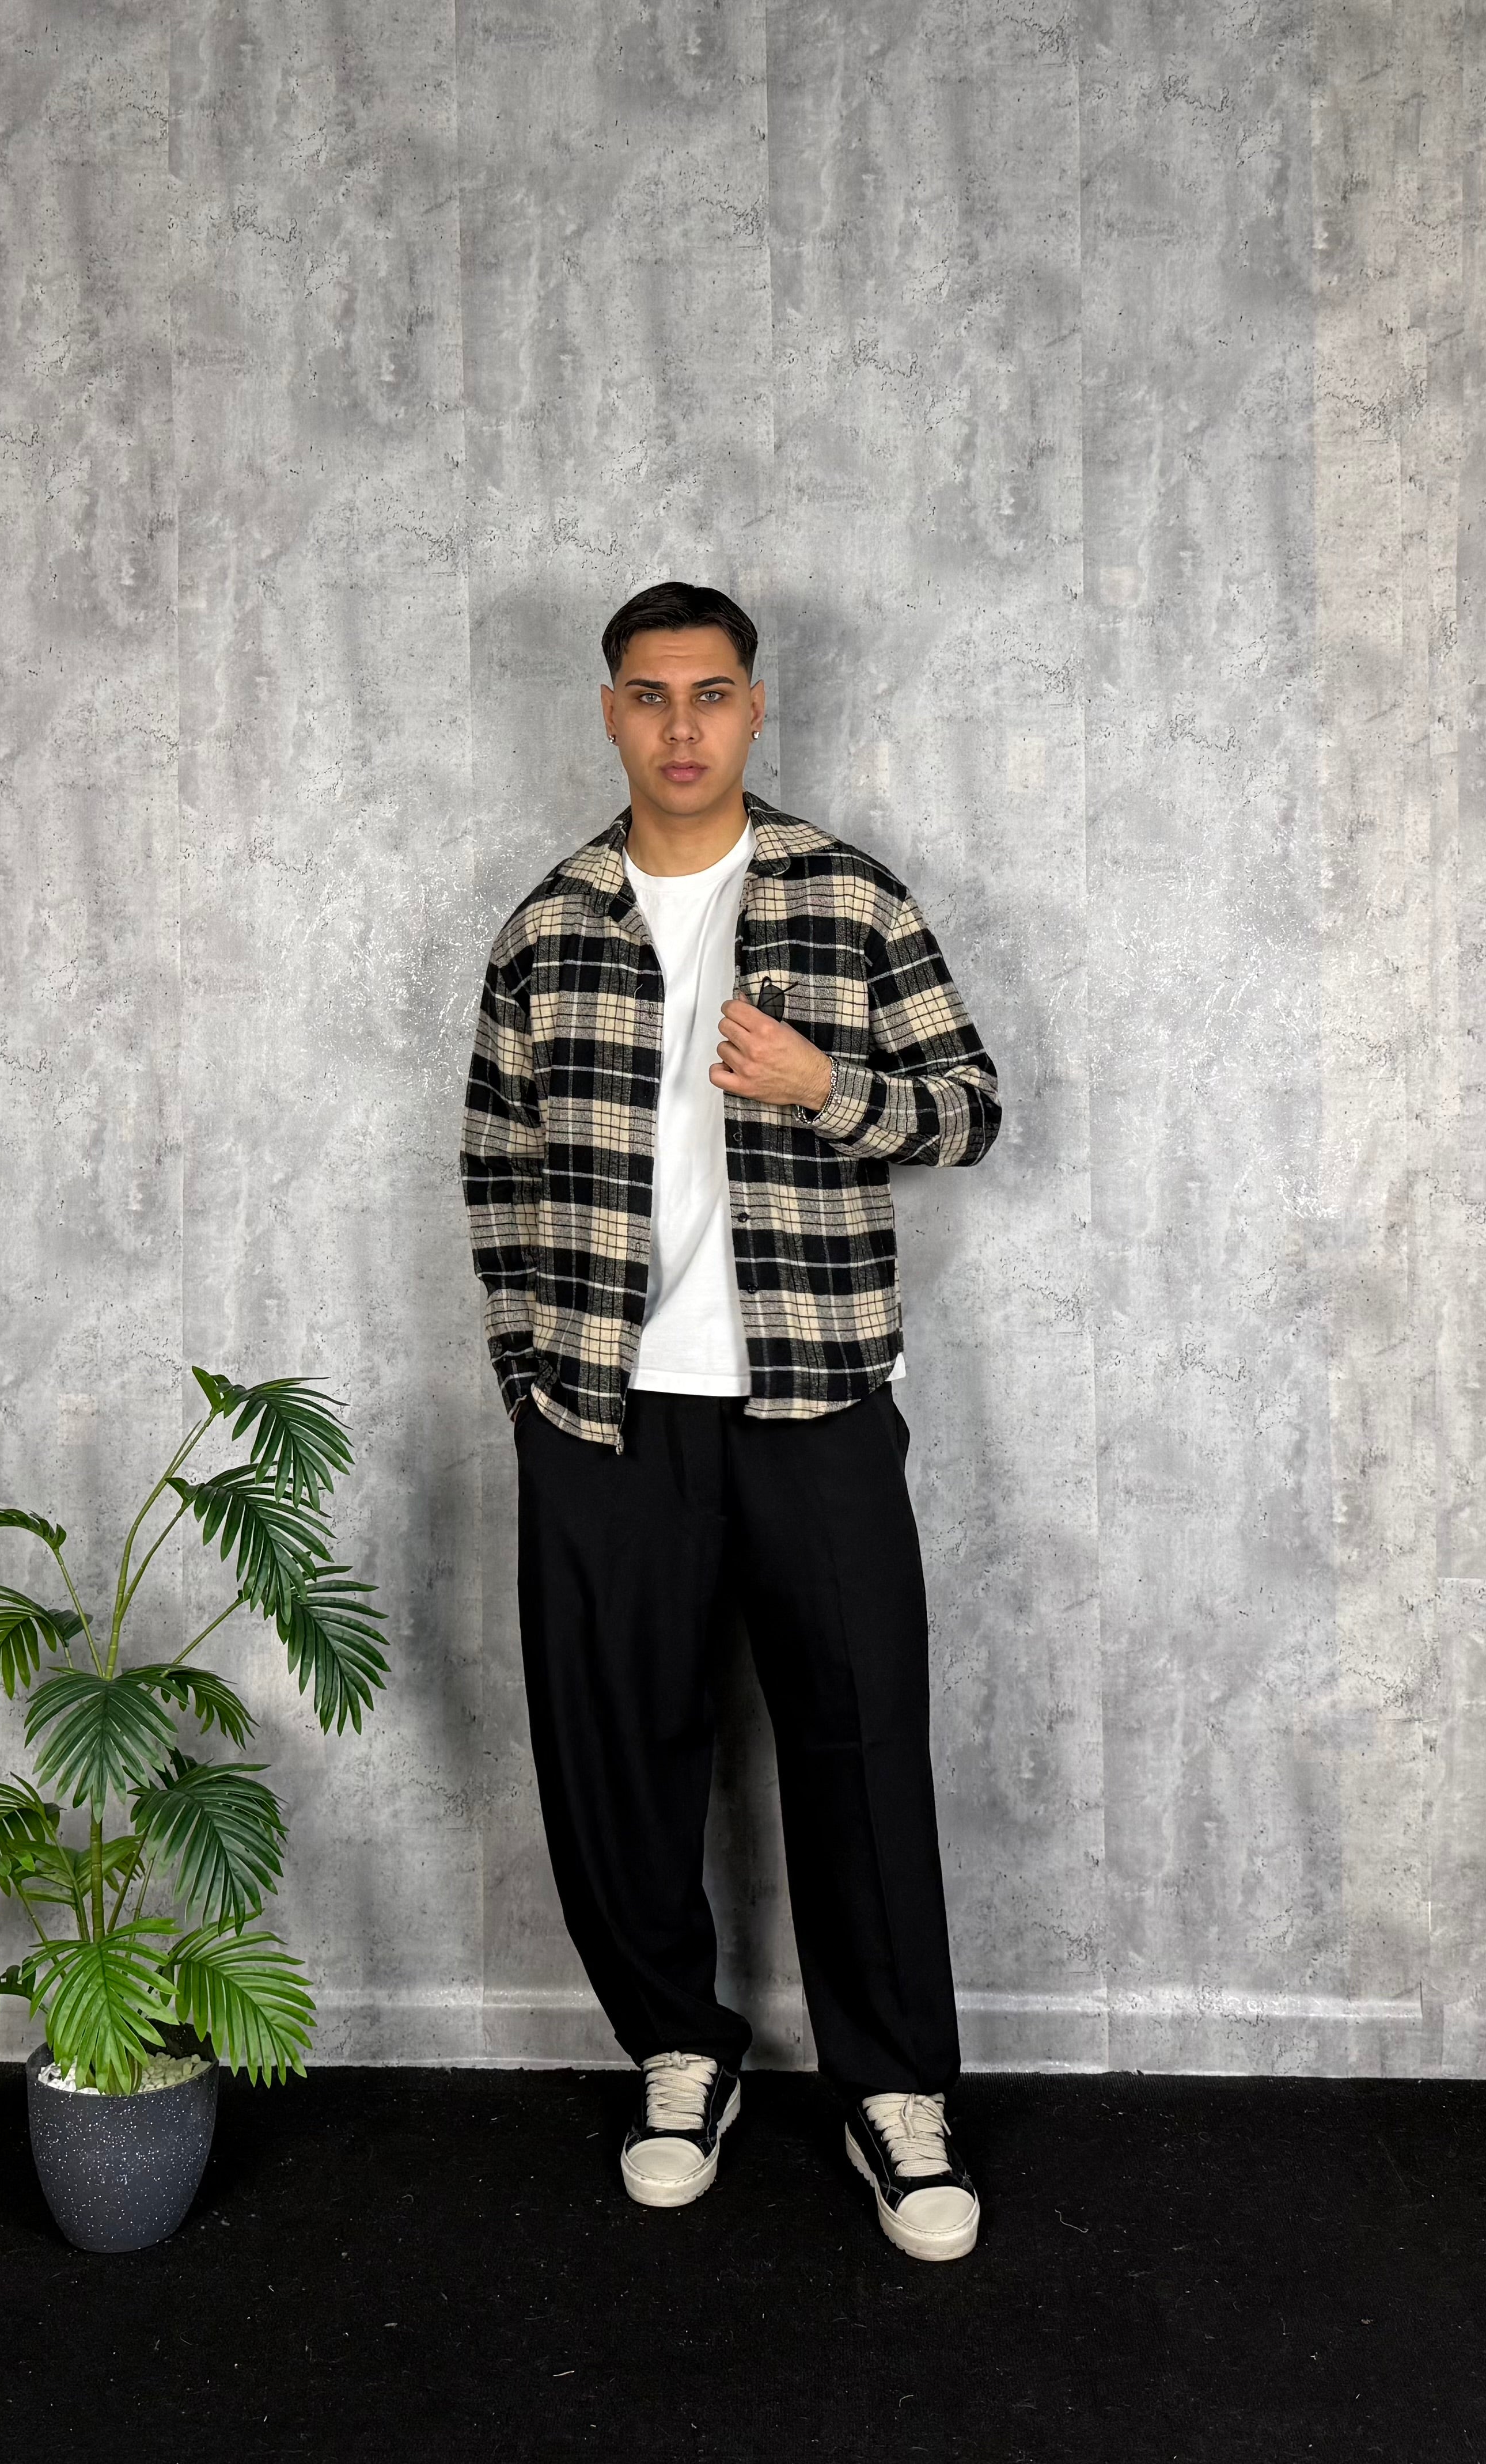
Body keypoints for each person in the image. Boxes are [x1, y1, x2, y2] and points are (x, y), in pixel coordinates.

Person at [460, 580, 1001, 2262]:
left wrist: (826, 1089)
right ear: (609, 712)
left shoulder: (851, 898)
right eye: (650, 695)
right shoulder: (549, 929)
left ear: (757, 706)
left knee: (861, 1747)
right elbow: (496, 1171)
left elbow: (971, 1111)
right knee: (617, 1752)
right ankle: (679, 2053)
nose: (681, 726)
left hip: (816, 1395)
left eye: (710, 693)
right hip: (606, 1413)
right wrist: (534, 1385)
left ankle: (894, 2092)